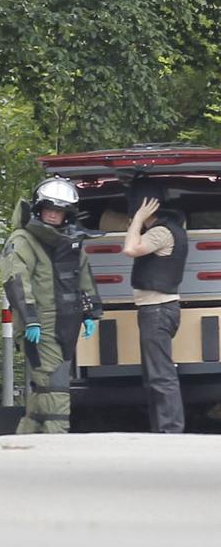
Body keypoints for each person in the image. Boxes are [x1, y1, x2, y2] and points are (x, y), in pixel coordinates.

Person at [0, 177, 103, 434]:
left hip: (67, 322)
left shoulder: (69, 242)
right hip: (41, 325)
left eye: (59, 211)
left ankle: (27, 439)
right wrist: (30, 318)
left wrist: (90, 312)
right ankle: (58, 438)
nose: (53, 215)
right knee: (55, 385)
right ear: (38, 209)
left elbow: (82, 276)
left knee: (43, 388)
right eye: (49, 209)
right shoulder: (23, 240)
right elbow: (16, 280)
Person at [122, 180, 188, 433]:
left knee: (161, 375)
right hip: (159, 309)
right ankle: (162, 430)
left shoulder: (161, 232)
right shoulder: (172, 228)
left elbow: (130, 248)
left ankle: (170, 430)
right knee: (155, 374)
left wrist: (138, 218)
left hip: (157, 309)